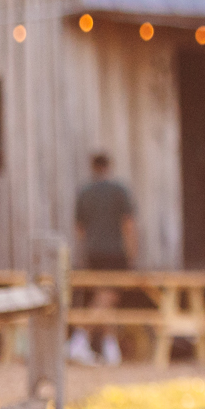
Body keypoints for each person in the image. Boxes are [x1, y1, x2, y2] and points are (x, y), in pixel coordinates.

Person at [70, 152, 136, 365]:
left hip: (93, 252)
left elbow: (79, 228)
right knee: (109, 297)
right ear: (109, 166)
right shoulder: (119, 190)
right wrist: (132, 251)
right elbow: (128, 224)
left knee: (103, 297)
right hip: (115, 251)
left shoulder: (85, 193)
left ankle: (109, 347)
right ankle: (80, 338)